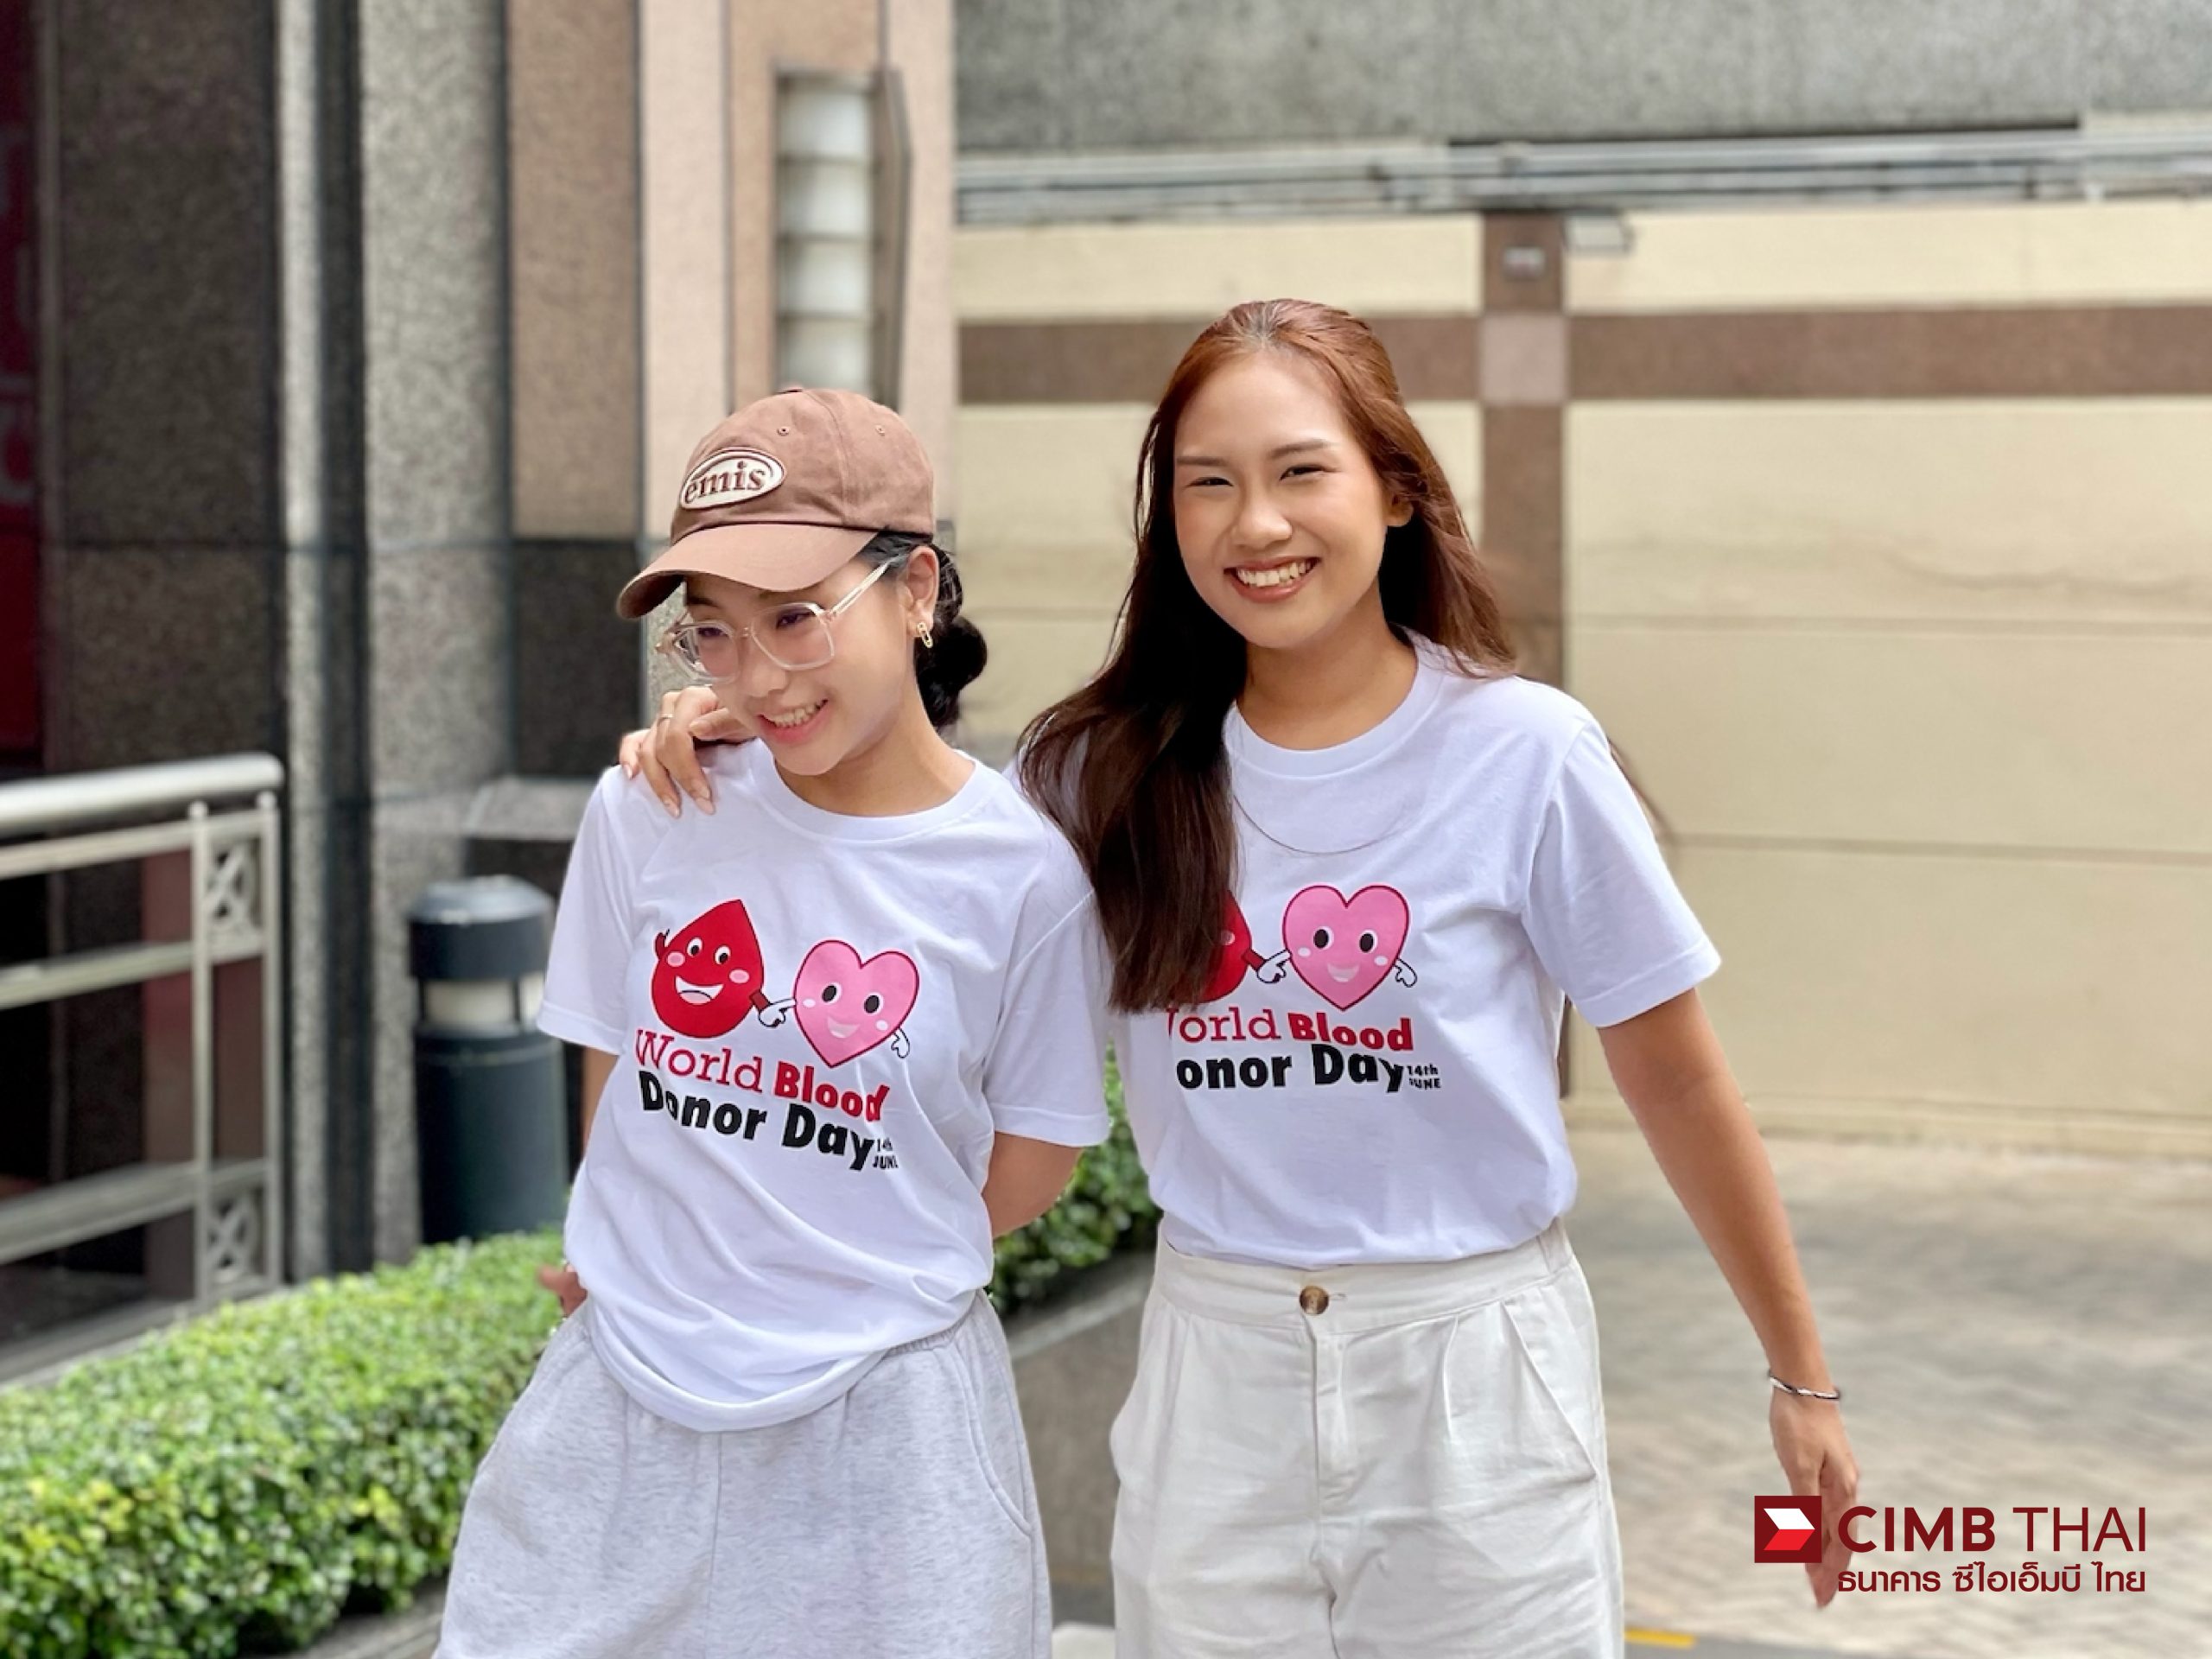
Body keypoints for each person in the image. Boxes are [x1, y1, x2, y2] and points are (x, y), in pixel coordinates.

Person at [622, 302, 1860, 1658]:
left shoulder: (1527, 755)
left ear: (1395, 488)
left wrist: (1801, 1376)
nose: (1255, 524)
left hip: (1471, 1373)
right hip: (1216, 1373)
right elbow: (903, 880)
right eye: (1207, 484)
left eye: (1300, 472)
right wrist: (770, 713)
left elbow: (1677, 1080)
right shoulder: (1098, 773)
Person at [437, 388, 1110, 1659]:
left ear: (917, 591)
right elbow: (617, 1080)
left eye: (797, 617)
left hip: (887, 1441)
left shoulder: (1022, 875)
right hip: (619, 1416)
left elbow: (1034, 1161)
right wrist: (657, 1248)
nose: (758, 674)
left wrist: (834, 1247)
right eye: (715, 633)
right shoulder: (652, 806)